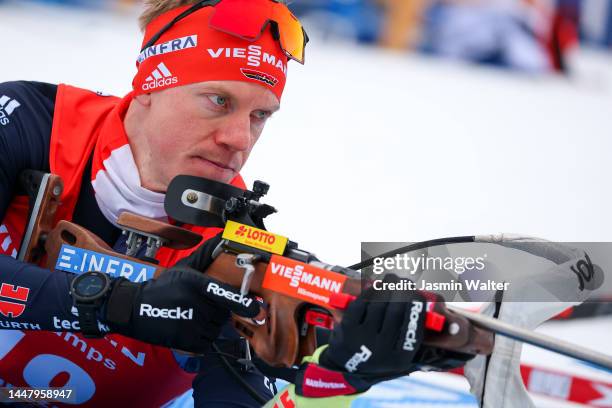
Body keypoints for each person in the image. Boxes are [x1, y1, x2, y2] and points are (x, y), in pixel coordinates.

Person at [0, 0, 451, 406]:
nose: (239, 140)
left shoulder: (234, 250)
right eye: (219, 101)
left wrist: (334, 378)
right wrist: (121, 303)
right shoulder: (27, 120)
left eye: (260, 116)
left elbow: (238, 397)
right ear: (149, 87)